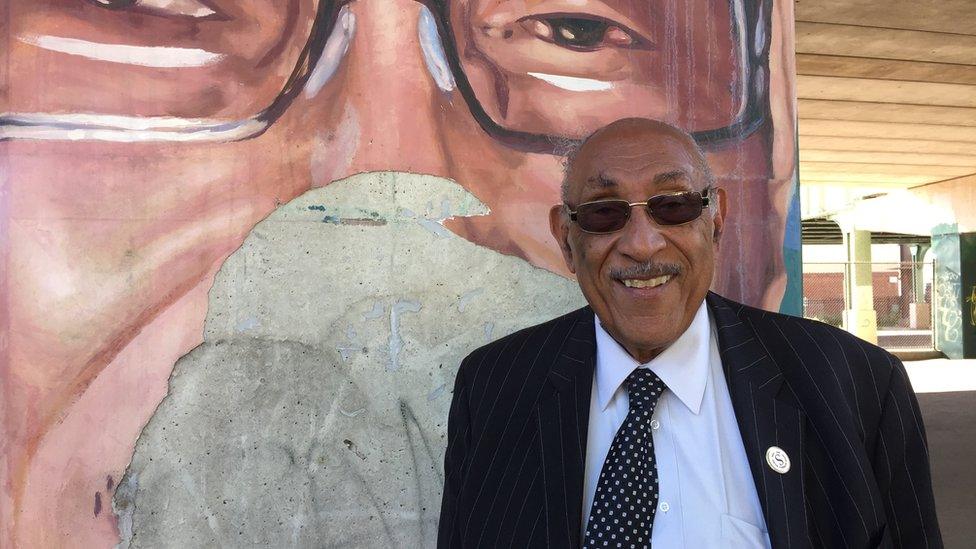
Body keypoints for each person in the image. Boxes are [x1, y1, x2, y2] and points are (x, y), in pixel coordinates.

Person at [437, 118, 942, 548]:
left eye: (673, 204)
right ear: (567, 240)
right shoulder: (493, 388)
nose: (641, 243)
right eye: (603, 213)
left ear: (716, 220)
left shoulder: (856, 383)